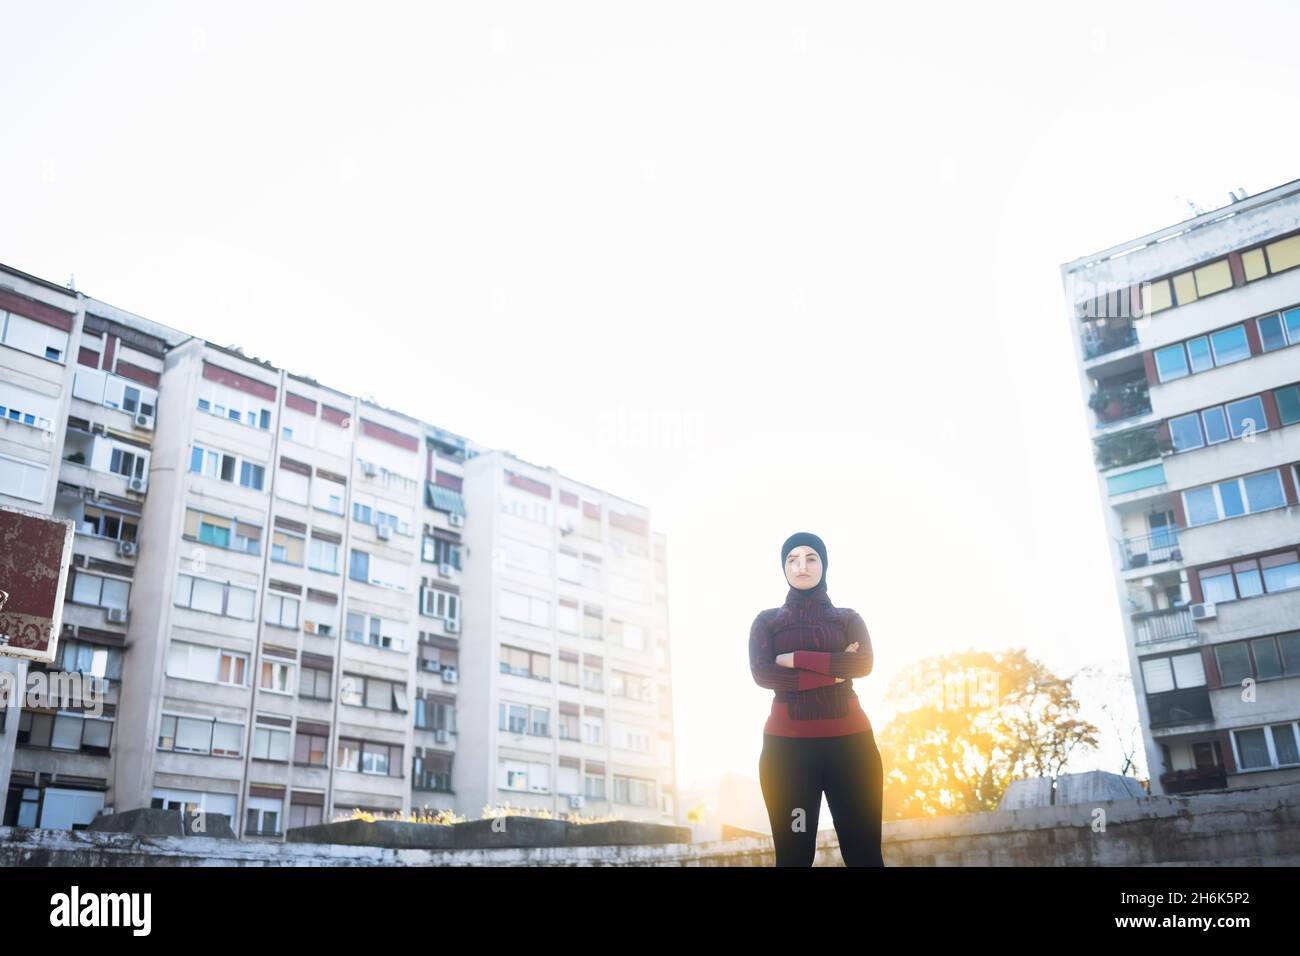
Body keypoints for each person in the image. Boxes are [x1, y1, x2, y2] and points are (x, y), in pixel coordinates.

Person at [749, 531, 885, 866]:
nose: (802, 566)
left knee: (865, 855)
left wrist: (795, 658)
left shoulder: (848, 618)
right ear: (783, 567)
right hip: (789, 758)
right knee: (794, 857)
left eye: (811, 558)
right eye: (792, 559)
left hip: (852, 751)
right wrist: (836, 670)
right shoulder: (767, 621)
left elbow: (863, 663)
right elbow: (764, 674)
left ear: (824, 564)